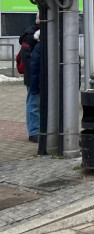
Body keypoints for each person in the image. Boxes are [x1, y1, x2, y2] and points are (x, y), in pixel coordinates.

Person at [19, 13, 40, 143]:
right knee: (33, 104)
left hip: (40, 75)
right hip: (33, 76)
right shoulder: (30, 34)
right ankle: (34, 132)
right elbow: (26, 58)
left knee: (38, 104)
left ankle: (39, 130)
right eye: (39, 17)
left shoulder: (51, 30)